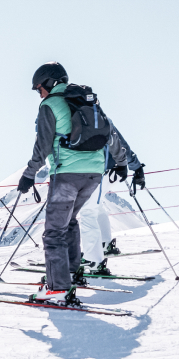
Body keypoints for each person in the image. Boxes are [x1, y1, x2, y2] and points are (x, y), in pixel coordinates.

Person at [18, 62, 127, 302]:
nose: (39, 93)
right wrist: (121, 162)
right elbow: (110, 134)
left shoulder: (49, 105)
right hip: (94, 175)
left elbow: (43, 145)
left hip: (67, 173)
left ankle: (57, 287)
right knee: (69, 222)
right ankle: (72, 271)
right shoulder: (88, 102)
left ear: (49, 83)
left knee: (54, 231)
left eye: (39, 88)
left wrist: (29, 174)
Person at [79, 126, 146, 275]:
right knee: (97, 205)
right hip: (113, 172)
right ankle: (104, 244)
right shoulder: (99, 115)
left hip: (94, 172)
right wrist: (136, 167)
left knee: (87, 210)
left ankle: (93, 260)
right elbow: (121, 143)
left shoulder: (72, 116)